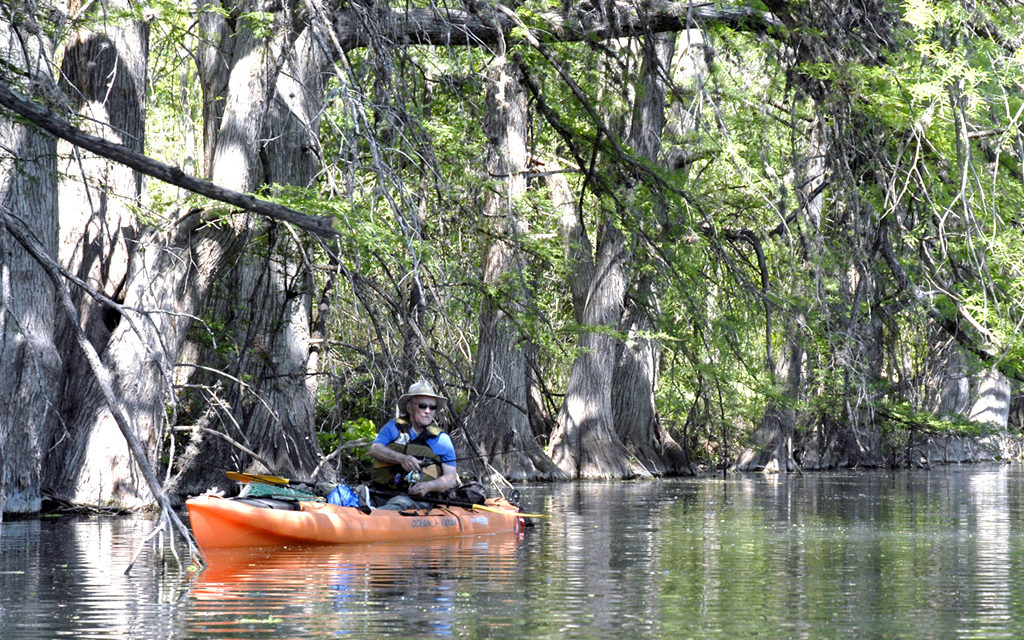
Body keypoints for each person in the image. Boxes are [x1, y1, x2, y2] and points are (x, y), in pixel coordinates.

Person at [368, 379, 459, 510]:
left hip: (415, 499)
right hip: (380, 492)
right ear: (409, 407)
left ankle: (373, 522)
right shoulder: (393, 427)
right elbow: (375, 449)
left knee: (399, 503)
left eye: (432, 407)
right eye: (422, 406)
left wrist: (429, 486)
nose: (428, 411)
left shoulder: (442, 440)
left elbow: (450, 478)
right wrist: (402, 459)